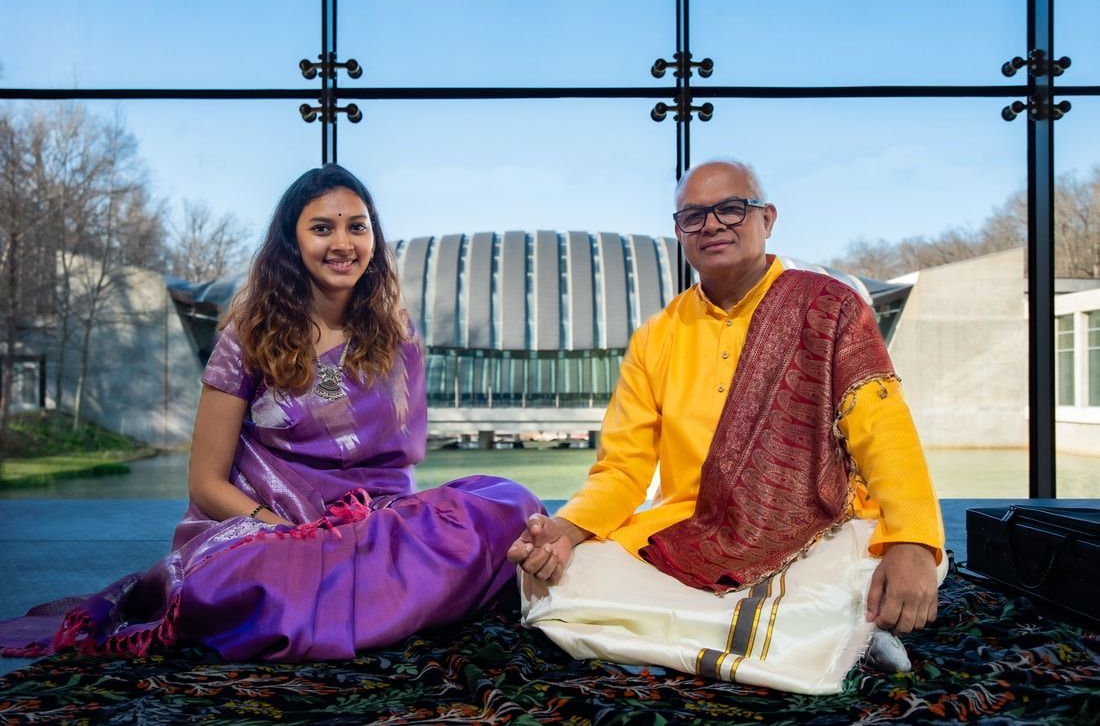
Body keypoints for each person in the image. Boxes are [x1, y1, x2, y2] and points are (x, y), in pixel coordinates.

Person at [0, 164, 542, 662]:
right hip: (274, 530)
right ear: (292, 241)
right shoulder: (249, 337)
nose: (343, 244)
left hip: (375, 521)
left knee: (508, 504)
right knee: (242, 582)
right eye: (322, 228)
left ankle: (362, 596)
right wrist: (284, 530)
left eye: (357, 227)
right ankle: (388, 600)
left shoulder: (396, 333)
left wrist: (378, 529)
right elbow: (206, 482)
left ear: (374, 240)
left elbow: (397, 464)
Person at [508, 159, 945, 695]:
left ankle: (721, 634)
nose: (712, 224)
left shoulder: (829, 308)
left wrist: (914, 542)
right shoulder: (656, 338)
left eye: (731, 209)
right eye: (694, 216)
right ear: (680, 233)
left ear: (768, 218)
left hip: (823, 529)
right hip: (691, 535)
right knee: (551, 581)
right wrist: (567, 531)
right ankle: (825, 637)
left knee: (871, 564)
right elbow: (622, 471)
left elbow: (884, 430)